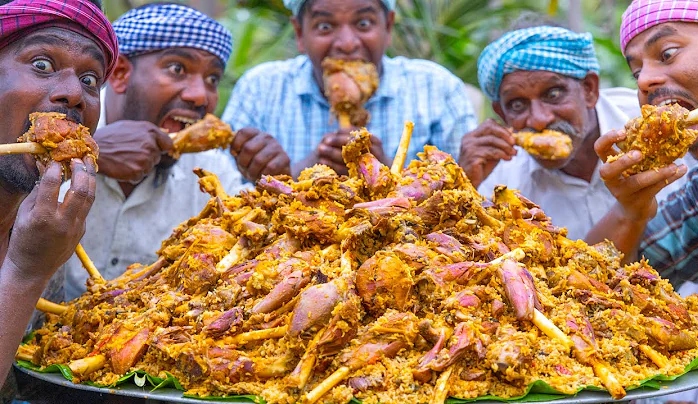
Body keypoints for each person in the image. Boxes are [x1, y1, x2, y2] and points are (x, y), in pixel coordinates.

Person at [61, 3, 289, 300]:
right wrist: (87, 154)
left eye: (212, 79)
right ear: (120, 74)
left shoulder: (213, 173)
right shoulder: (61, 123)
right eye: (177, 69)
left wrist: (278, 191)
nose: (200, 96)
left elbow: (260, 253)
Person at [586, 1, 698, 401]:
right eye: (636, 72)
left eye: (668, 53)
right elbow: (589, 286)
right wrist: (630, 210)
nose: (645, 81)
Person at [222, 0, 477, 179]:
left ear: (388, 27)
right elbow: (220, 187)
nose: (346, 44)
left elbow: (465, 192)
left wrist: (388, 174)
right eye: (325, 27)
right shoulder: (260, 89)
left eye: (364, 23)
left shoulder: (437, 88)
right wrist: (296, 176)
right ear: (299, 33)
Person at [0, 0, 117, 382]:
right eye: (42, 64)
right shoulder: (35, 250)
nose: (74, 93)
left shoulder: (42, 224)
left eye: (90, 80)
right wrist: (25, 273)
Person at [459, 25, 646, 240]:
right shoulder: (498, 185)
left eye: (553, 94)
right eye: (517, 105)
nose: (539, 120)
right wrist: (462, 185)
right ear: (501, 113)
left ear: (589, 89)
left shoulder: (647, 121)